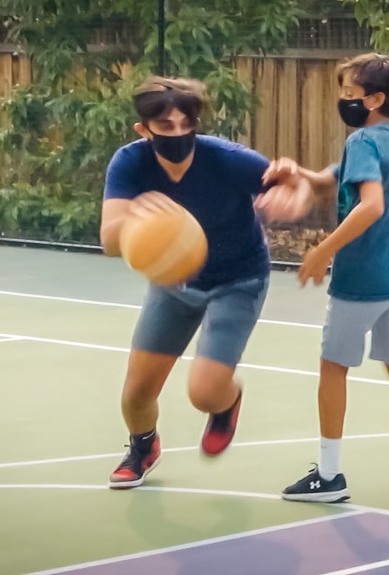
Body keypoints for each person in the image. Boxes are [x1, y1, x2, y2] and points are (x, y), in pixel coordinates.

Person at [260, 53, 389, 503]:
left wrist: (323, 249)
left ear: (375, 99)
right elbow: (339, 180)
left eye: (349, 94)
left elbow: (370, 205)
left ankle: (330, 476)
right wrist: (301, 173)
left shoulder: (362, 144)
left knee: (333, 368)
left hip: (362, 280)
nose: (343, 100)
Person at [100, 76, 310, 489]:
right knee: (136, 394)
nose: (178, 134)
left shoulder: (227, 159)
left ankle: (226, 403)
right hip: (172, 284)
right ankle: (143, 447)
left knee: (205, 392)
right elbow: (109, 241)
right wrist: (143, 218)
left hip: (238, 279)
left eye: (186, 125)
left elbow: (293, 185)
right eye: (166, 127)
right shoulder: (129, 163)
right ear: (144, 130)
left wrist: (294, 195)